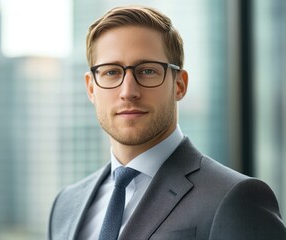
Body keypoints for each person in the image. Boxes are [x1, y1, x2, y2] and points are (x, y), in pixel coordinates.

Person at [48, 5, 286, 240]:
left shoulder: (237, 199)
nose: (128, 91)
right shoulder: (66, 205)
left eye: (147, 71)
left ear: (180, 84)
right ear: (91, 88)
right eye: (111, 72)